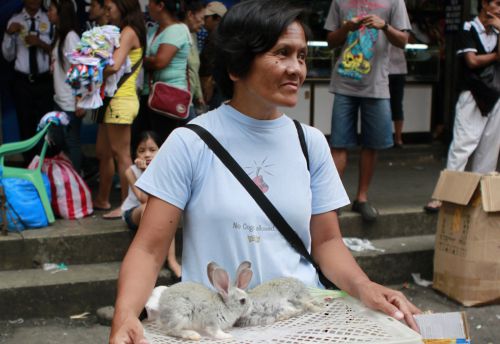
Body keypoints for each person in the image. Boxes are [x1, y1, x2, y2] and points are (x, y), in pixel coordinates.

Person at [109, 1, 420, 343]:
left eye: (301, 56)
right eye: (282, 53)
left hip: (302, 325)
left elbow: (327, 241)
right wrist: (124, 316)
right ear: (237, 65)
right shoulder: (190, 143)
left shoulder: (311, 143)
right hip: (220, 328)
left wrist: (364, 286)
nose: (296, 68)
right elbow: (149, 250)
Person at [324, 0, 411, 222]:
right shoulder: (340, 1)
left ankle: (361, 198)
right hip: (344, 82)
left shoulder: (394, 2)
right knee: (339, 143)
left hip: (377, 85)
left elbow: (403, 41)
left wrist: (384, 26)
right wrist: (346, 28)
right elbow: (330, 42)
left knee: (372, 144)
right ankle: (332, 201)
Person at [424, 0, 500, 213]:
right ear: (484, 4)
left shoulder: (497, 31)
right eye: (497, 3)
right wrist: (495, 56)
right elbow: (472, 61)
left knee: (489, 150)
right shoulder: (468, 27)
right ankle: (444, 195)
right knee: (463, 144)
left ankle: (479, 198)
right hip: (473, 94)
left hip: (496, 95)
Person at [92, 0, 146, 219]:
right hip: (113, 100)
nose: (106, 11)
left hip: (120, 100)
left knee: (122, 155)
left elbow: (114, 65)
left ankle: (126, 205)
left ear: (122, 7)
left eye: (109, 7)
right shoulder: (126, 30)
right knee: (103, 153)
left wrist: (88, 66)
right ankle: (102, 199)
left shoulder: (129, 31)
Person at [121, 130, 181, 279]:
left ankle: (172, 260)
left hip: (158, 213)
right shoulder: (131, 171)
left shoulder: (166, 170)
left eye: (152, 150)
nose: (147, 154)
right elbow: (143, 198)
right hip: (134, 212)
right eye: (141, 150)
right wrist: (146, 172)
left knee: (166, 211)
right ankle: (159, 259)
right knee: (151, 208)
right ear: (135, 153)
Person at [2, 0, 54, 164]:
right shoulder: (15, 20)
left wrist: (40, 43)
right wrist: (9, 34)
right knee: (25, 125)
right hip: (22, 82)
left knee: (45, 125)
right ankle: (29, 165)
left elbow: (59, 51)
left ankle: (45, 164)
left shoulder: (49, 19)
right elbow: (7, 56)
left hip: (44, 81)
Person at [140, 0, 191, 143]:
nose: (147, 6)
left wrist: (140, 60)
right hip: (149, 93)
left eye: (150, 2)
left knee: (164, 143)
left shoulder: (177, 30)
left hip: (169, 96)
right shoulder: (153, 29)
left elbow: (160, 62)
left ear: (160, 5)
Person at [47, 0, 84, 171]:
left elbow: (79, 69)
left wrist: (80, 99)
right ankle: (79, 172)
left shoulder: (71, 37)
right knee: (59, 140)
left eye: (52, 9)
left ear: (61, 12)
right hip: (59, 98)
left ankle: (77, 179)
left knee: (71, 141)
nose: (49, 12)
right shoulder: (60, 35)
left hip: (70, 100)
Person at [198, 0, 226, 110]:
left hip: (214, 87)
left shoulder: (218, 37)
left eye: (206, 18)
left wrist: (209, 82)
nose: (203, 21)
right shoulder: (214, 35)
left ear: (217, 18)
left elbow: (214, 63)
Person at [182, 0, 206, 119]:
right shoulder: (180, 34)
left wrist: (199, 95)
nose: (203, 23)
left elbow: (193, 69)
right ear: (190, 15)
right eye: (201, 18)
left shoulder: (193, 35)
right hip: (180, 97)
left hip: (189, 98)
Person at [388, 45, 407, 148]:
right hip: (383, 70)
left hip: (398, 70)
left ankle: (398, 138)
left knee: (397, 105)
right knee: (383, 105)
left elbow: (407, 41)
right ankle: (389, 138)